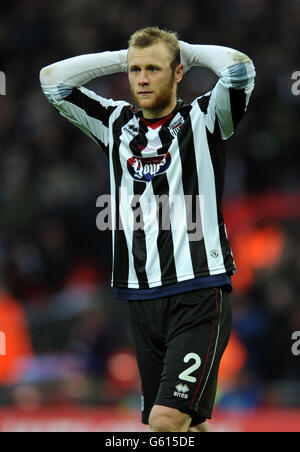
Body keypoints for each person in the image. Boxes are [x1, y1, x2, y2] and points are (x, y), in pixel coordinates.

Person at [40, 26, 255, 432]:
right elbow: (53, 81)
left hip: (197, 291)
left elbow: (240, 70)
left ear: (177, 73)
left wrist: (187, 51)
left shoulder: (205, 119)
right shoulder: (116, 122)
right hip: (140, 297)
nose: (141, 78)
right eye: (134, 69)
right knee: (187, 425)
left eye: (154, 68)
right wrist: (122, 57)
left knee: (164, 421)